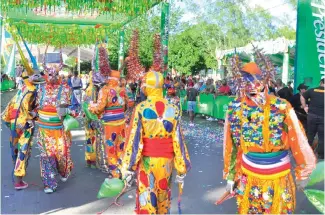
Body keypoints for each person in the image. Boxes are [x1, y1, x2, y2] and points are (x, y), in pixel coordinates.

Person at [223, 62, 316, 214]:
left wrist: (304, 171)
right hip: (248, 176)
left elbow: (298, 139)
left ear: (265, 81)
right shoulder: (235, 108)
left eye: (256, 80)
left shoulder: (281, 107)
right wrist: (230, 175)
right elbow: (231, 145)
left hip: (278, 178)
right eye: (247, 81)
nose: (252, 86)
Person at [121, 71, 191, 214]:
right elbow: (178, 139)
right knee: (163, 198)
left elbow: (134, 139)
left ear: (148, 87)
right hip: (167, 163)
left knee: (147, 197)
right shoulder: (174, 109)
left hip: (147, 161)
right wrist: (182, 166)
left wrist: (128, 167)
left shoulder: (141, 108)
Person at [36, 50, 75, 194]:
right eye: (49, 74)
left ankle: (64, 171)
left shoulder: (66, 89)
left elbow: (75, 108)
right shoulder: (40, 89)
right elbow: (35, 107)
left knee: (61, 155)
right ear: (46, 74)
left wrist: (66, 112)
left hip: (60, 129)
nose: (52, 77)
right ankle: (49, 183)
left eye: (55, 74)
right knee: (46, 156)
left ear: (59, 73)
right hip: (44, 130)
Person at [2, 68, 39, 190]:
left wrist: (8, 122)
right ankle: (18, 180)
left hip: (14, 123)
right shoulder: (32, 90)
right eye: (35, 75)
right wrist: (33, 116)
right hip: (24, 124)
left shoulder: (21, 90)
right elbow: (33, 109)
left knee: (14, 149)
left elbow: (10, 107)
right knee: (23, 151)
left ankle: (17, 170)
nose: (37, 77)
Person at [89, 66, 127, 177]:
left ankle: (115, 172)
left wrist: (92, 107)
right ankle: (122, 169)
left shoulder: (105, 90)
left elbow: (100, 108)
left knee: (111, 146)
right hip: (122, 121)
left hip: (110, 124)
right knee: (121, 145)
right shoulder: (122, 90)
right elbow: (127, 105)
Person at [301, 78, 324, 159]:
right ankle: (321, 155)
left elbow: (302, 97)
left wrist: (304, 107)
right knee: (322, 136)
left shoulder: (312, 90)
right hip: (323, 117)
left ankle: (306, 153)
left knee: (310, 134)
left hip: (312, 116)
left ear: (321, 82)